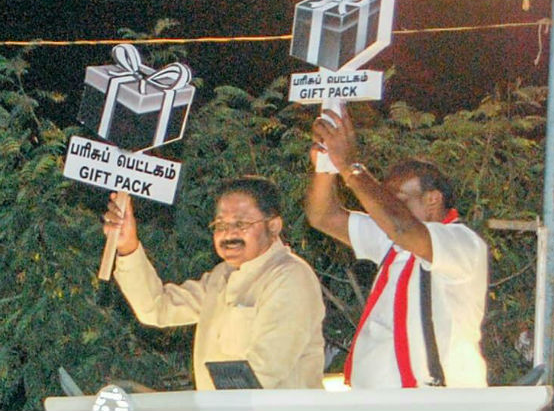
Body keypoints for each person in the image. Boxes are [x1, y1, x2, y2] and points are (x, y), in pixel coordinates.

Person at [305, 106, 488, 388]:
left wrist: (350, 167)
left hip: (432, 398)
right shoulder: (393, 243)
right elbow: (323, 216)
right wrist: (327, 167)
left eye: (397, 199)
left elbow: (401, 227)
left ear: (432, 199)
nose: (383, 207)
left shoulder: (462, 243)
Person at [102, 175, 325, 389]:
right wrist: (127, 245)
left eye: (241, 224)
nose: (228, 235)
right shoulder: (221, 276)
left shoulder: (290, 277)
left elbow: (261, 374)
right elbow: (156, 307)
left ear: (274, 226)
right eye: (220, 225)